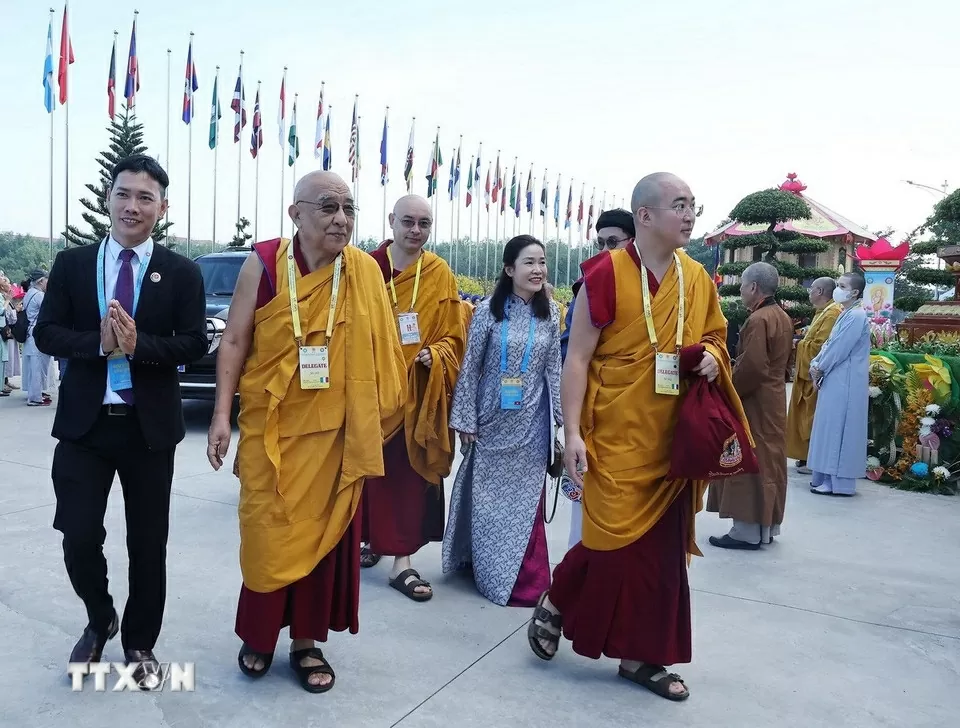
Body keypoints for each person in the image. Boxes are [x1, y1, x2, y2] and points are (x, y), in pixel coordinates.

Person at [526, 173, 745, 701]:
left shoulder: (697, 278)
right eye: (679, 205)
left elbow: (716, 338)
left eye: (694, 205)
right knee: (608, 547)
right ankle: (558, 599)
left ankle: (644, 657)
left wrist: (715, 358)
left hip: (674, 438)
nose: (690, 215)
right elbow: (576, 358)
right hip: (616, 436)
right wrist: (572, 433)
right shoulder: (604, 274)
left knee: (660, 559)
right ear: (644, 216)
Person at [207, 171, 406, 693]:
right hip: (272, 434)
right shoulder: (265, 262)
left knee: (326, 538)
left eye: (348, 207)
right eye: (327, 206)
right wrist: (221, 415)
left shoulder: (363, 271)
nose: (340, 218)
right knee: (266, 530)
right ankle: (259, 635)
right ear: (296, 213)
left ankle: (306, 642)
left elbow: (384, 356)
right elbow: (233, 342)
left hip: (335, 439)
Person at [33, 154, 208, 683]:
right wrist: (98, 343)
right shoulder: (72, 264)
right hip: (85, 427)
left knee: (147, 541)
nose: (133, 206)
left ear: (162, 207)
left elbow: (194, 342)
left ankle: (139, 642)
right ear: (109, 198)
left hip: (147, 429)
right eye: (124, 194)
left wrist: (138, 347)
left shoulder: (180, 272)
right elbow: (46, 333)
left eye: (145, 197)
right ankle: (99, 616)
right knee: (78, 533)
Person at [443, 235, 562, 607]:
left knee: (525, 500)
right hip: (491, 418)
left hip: (533, 421)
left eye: (541, 262)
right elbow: (471, 368)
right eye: (528, 263)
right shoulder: (487, 313)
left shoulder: (552, 313)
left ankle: (527, 579)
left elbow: (553, 370)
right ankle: (489, 569)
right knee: (489, 500)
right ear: (510, 270)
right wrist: (464, 417)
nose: (538, 269)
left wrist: (561, 421)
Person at [360, 195, 466, 602]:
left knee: (405, 479)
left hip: (415, 397)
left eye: (424, 223)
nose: (416, 230)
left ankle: (400, 563)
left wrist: (435, 353)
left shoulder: (439, 272)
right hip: (368, 394)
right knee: (364, 476)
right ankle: (366, 541)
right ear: (391, 221)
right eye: (408, 221)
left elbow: (455, 336)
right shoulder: (366, 266)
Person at [559, 208, 635, 550]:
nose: (606, 250)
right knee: (589, 503)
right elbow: (570, 353)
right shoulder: (590, 286)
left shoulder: (666, 286)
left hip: (645, 415)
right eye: (601, 242)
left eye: (614, 242)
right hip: (599, 410)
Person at [706, 262, 793, 550]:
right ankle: (766, 527)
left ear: (753, 287)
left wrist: (727, 387)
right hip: (774, 398)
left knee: (748, 457)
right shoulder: (781, 315)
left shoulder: (758, 320)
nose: (741, 291)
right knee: (770, 459)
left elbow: (752, 367)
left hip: (754, 401)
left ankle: (746, 531)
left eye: (743, 286)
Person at [807, 272, 870, 496]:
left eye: (842, 286)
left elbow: (839, 348)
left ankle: (838, 483)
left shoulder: (857, 316)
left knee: (838, 429)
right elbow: (829, 344)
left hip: (846, 379)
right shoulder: (846, 313)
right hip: (835, 377)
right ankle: (823, 476)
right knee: (827, 426)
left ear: (854, 292)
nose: (838, 289)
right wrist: (816, 363)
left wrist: (820, 366)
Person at [786, 278, 841, 474]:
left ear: (819, 291)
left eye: (811, 289)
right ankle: (804, 455)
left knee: (810, 417)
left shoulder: (833, 312)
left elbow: (820, 346)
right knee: (803, 415)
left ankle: (813, 456)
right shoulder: (822, 312)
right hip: (807, 374)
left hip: (814, 376)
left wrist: (798, 344)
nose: (809, 292)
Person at [22, 269, 51, 407]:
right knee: (37, 365)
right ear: (40, 281)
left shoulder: (29, 293)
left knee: (33, 366)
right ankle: (35, 397)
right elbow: (50, 310)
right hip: (36, 333)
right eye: (46, 280)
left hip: (29, 333)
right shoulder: (39, 295)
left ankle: (35, 393)